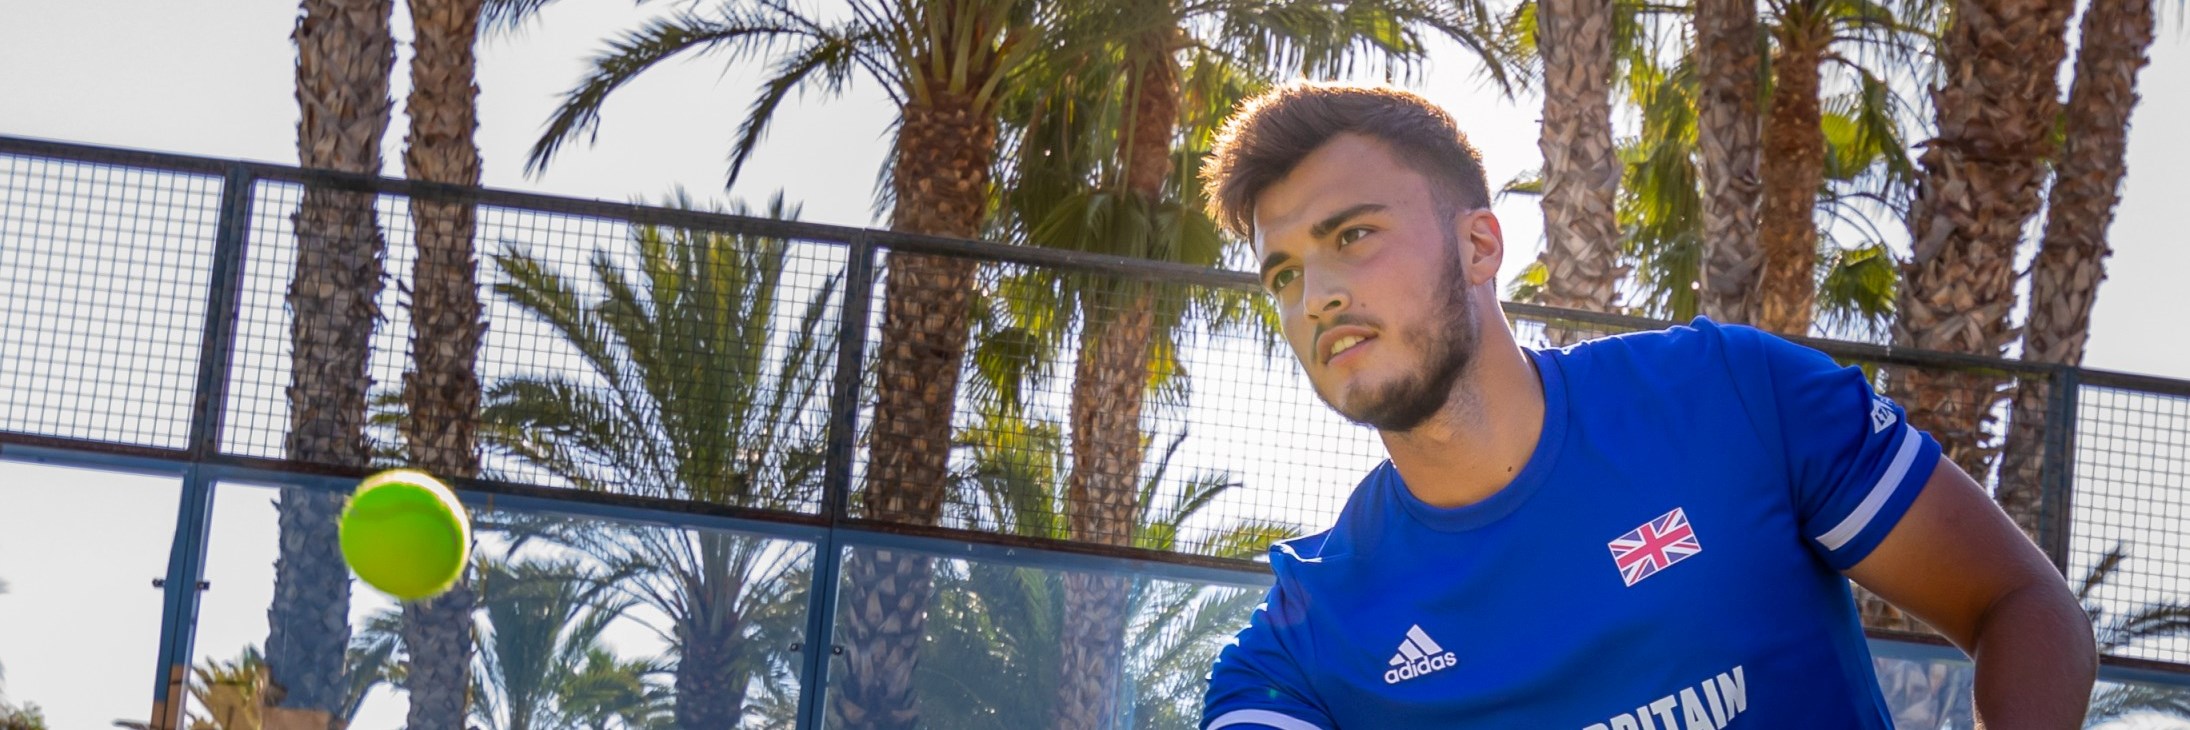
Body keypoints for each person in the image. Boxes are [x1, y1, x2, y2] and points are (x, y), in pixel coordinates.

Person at [1195, 82, 2097, 729]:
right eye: (1283, 273)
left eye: (1351, 236)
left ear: (1478, 246)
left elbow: (2021, 603)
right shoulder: (1306, 642)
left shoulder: (1731, 396)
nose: (1313, 295)